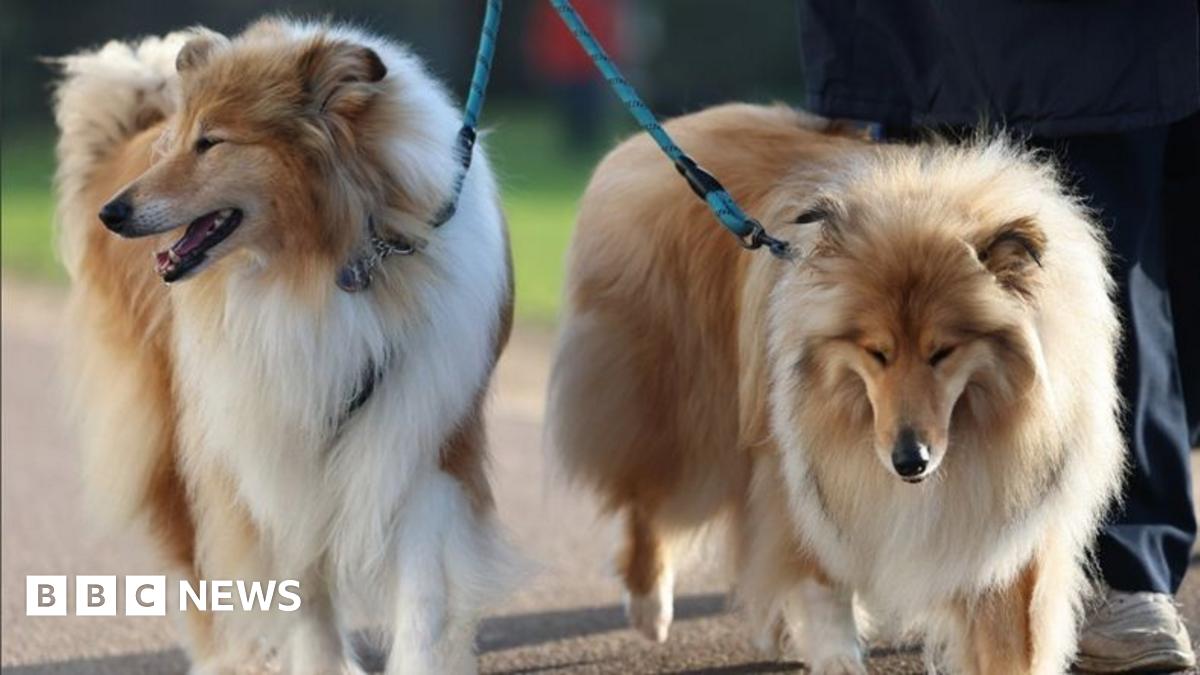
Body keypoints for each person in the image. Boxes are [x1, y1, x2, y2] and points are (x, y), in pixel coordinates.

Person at [794, 1, 1200, 671]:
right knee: (928, 270)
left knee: (1125, 267)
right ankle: (987, 578)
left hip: (1116, 41)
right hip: (932, 35)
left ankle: (1118, 566)